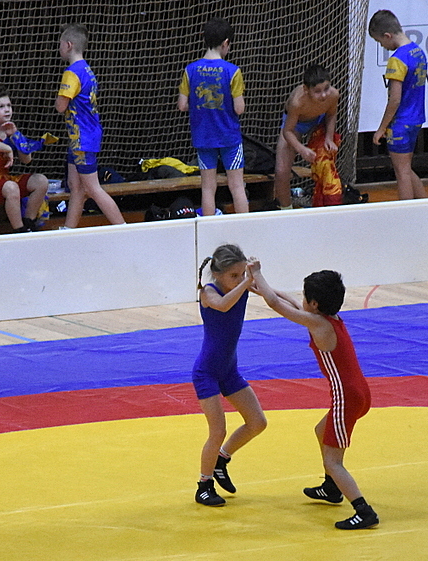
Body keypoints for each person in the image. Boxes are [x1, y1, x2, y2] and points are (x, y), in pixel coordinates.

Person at [250, 267, 379, 530]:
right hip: (359, 392)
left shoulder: (319, 324)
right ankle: (331, 488)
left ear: (315, 304)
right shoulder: (329, 318)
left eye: (305, 297)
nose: (301, 300)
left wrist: (257, 273)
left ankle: (364, 511)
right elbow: (289, 301)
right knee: (322, 430)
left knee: (334, 461)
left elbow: (277, 305)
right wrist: (261, 287)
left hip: (347, 397)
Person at [192, 244, 267, 506]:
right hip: (207, 373)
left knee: (257, 422)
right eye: (233, 275)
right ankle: (204, 486)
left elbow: (272, 295)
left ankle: (221, 460)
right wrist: (246, 281)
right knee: (218, 430)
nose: (239, 279)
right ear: (217, 274)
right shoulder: (208, 292)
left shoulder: (241, 286)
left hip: (228, 371)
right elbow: (223, 306)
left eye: (241, 274)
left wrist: (303, 310)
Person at [55, 23, 126, 229]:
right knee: (75, 186)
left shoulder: (72, 73)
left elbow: (61, 106)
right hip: (80, 137)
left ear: (69, 45)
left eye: (60, 44)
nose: (59, 48)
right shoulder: (87, 70)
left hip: (82, 138)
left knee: (93, 188)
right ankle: (68, 230)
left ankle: (124, 229)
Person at [178, 17, 248, 216]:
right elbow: (239, 109)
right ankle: (245, 229)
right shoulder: (233, 71)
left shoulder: (190, 70)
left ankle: (208, 229)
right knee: (237, 186)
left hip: (204, 137)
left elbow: (182, 106)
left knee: (208, 188)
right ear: (226, 43)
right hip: (229, 137)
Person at [0, 85, 53, 231]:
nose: (7, 110)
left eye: (9, 105)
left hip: (5, 181)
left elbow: (26, 160)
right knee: (11, 187)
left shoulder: (11, 130)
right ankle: (19, 230)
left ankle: (29, 222)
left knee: (41, 181)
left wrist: (17, 137)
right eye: (1, 106)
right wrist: (8, 148)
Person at [369, 9, 427, 201]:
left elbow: (394, 100)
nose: (383, 46)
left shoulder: (397, 59)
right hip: (416, 119)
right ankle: (427, 206)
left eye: (380, 42)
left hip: (400, 123)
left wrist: (381, 128)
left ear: (387, 35)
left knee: (401, 172)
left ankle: (406, 214)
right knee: (406, 169)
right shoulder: (418, 51)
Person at [273, 64, 343, 209]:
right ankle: (286, 209)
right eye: (317, 91)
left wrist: (329, 138)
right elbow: (287, 131)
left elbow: (331, 115)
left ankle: (324, 204)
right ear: (306, 89)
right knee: (281, 170)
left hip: (319, 122)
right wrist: (302, 149)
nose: (323, 95)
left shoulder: (333, 95)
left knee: (325, 163)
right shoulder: (297, 102)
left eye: (326, 88)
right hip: (295, 125)